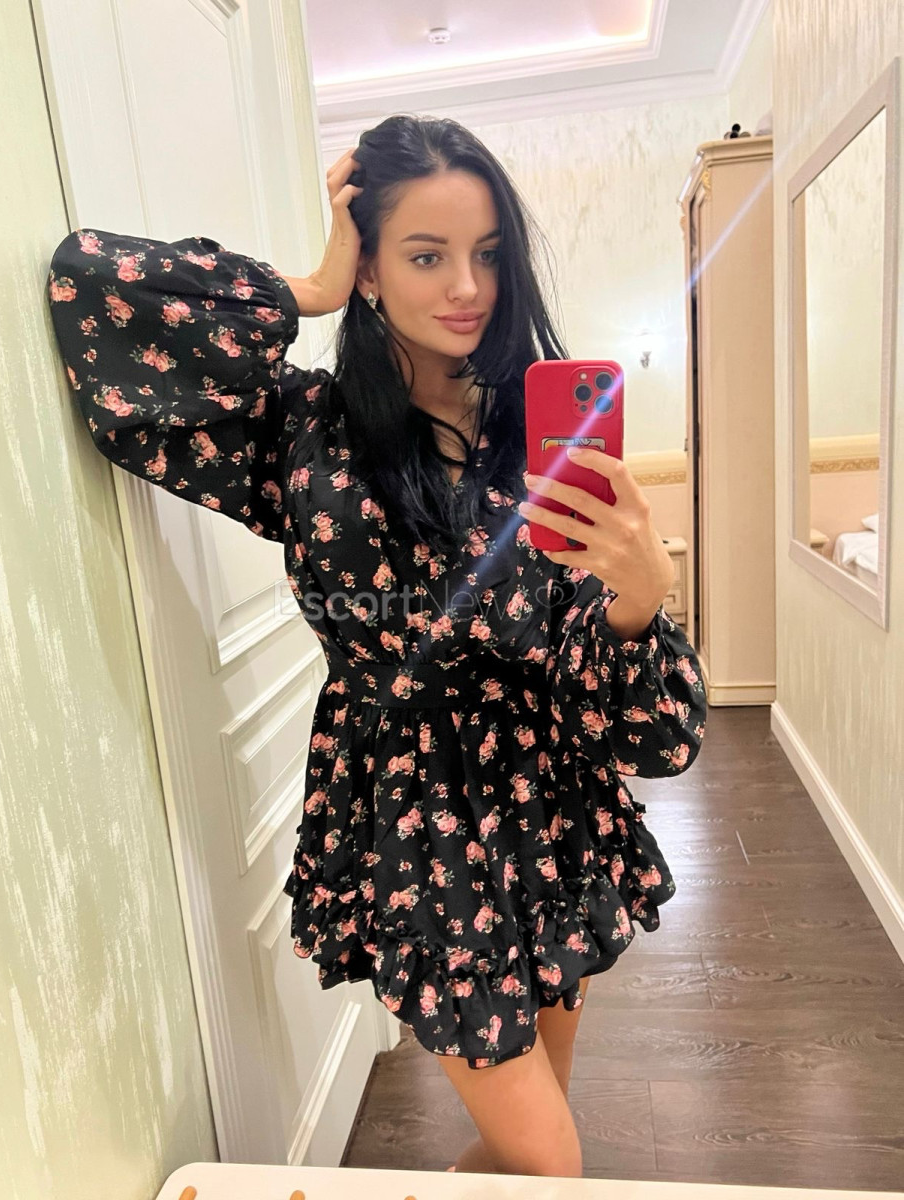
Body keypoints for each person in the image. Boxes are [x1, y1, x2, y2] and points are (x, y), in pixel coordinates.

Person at [46, 114, 707, 1179]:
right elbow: (91, 290)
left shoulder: (540, 443)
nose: (468, 288)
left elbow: (655, 740)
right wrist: (309, 287)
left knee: (520, 1153)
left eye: (488, 253)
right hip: (419, 822)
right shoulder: (299, 433)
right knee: (550, 1163)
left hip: (549, 808)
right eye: (426, 255)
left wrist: (639, 600)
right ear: (370, 267)